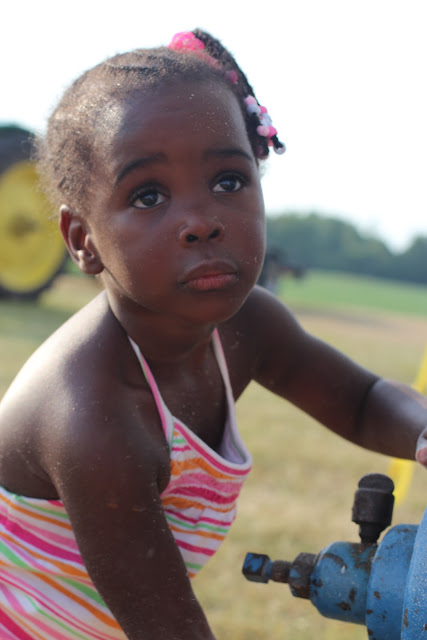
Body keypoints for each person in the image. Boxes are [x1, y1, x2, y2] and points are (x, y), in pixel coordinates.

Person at [0, 29, 426, 640]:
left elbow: (359, 401)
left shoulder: (248, 326)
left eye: (228, 181)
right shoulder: (91, 417)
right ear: (81, 240)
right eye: (148, 195)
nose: (201, 221)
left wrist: (421, 431)